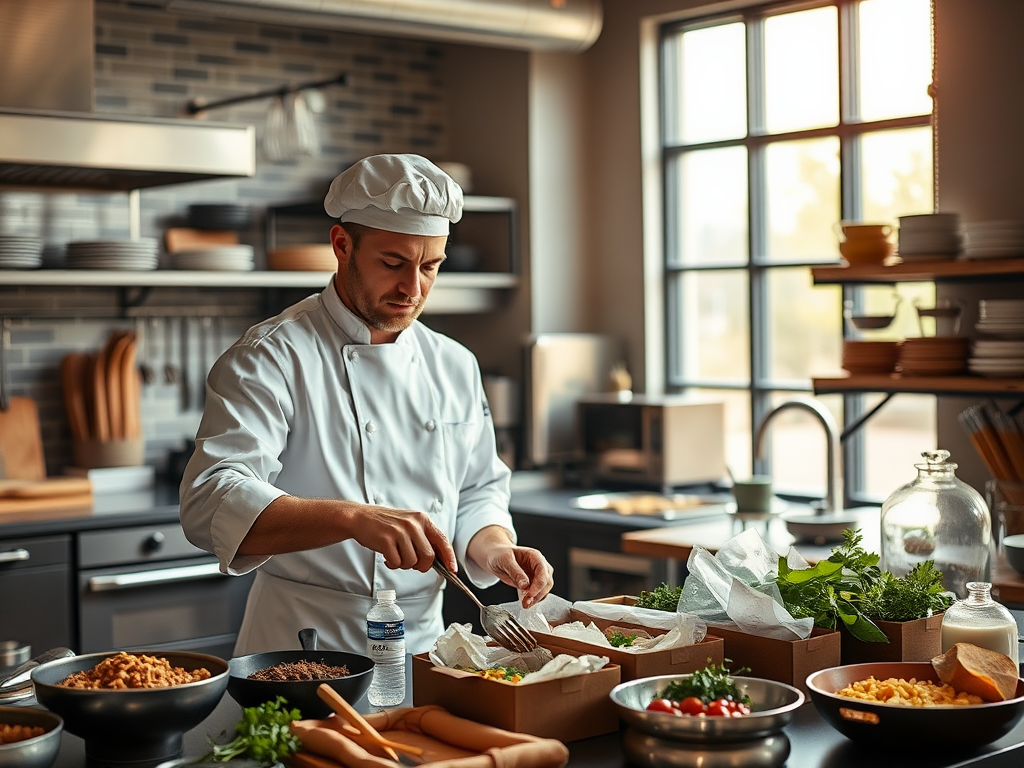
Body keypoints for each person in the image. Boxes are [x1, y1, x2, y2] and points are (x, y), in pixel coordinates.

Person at [179, 153, 553, 656]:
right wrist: (354, 518)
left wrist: (496, 548)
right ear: (342, 245)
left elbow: (477, 489)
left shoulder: (454, 363)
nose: (413, 288)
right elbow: (209, 500)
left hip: (425, 645)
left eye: (430, 267)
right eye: (393, 263)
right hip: (303, 646)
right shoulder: (271, 355)